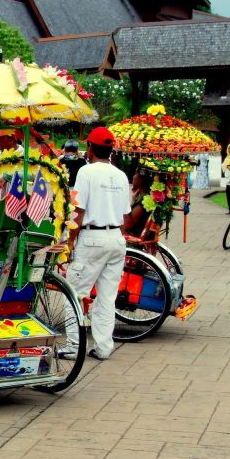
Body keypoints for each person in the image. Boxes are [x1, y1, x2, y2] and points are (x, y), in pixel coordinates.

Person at [63, 126, 130, 361]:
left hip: (92, 239)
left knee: (74, 293)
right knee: (106, 297)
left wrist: (70, 243)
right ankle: (103, 347)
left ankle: (73, 346)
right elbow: (125, 216)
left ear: (90, 149)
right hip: (116, 239)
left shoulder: (86, 172)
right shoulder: (120, 175)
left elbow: (78, 211)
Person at [122, 169, 152, 238]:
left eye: (136, 174)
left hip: (132, 235)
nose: (133, 177)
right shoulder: (141, 196)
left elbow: (129, 224)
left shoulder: (143, 199)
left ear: (141, 180)